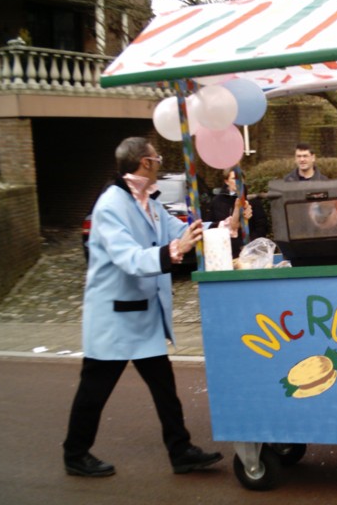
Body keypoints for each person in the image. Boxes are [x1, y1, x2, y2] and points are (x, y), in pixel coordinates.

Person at [63, 137, 223, 477]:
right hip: (115, 318)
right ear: (146, 163)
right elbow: (129, 259)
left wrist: (223, 228)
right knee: (94, 390)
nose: (160, 162)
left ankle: (180, 451)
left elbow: (182, 231)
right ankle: (75, 454)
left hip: (143, 315)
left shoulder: (149, 202)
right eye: (157, 157)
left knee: (164, 387)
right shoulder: (110, 205)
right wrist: (173, 250)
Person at [210, 167, 268, 258]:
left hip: (249, 251)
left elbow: (261, 226)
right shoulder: (217, 202)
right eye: (234, 178)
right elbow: (212, 225)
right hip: (224, 251)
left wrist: (250, 243)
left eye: (240, 178)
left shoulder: (253, 202)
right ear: (226, 181)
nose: (238, 182)